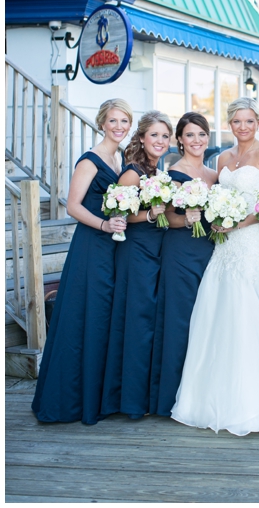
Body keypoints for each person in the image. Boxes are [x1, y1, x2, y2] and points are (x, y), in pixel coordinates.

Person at [170, 97, 259, 435]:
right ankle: (209, 399)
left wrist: (236, 223)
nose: (242, 127)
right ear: (230, 124)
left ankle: (253, 404)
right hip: (222, 247)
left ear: (257, 123)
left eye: (249, 121)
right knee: (216, 313)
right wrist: (214, 217)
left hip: (250, 243)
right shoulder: (222, 158)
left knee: (248, 314)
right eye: (236, 121)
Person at [32, 99, 132, 424]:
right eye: (114, 121)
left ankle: (100, 396)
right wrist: (104, 224)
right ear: (103, 122)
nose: (119, 127)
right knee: (84, 315)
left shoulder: (121, 159)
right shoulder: (90, 160)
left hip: (116, 246)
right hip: (92, 245)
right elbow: (72, 206)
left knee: (104, 317)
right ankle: (72, 400)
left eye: (125, 122)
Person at [101, 110, 172, 418]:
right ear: (142, 138)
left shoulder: (158, 171)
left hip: (156, 249)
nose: (160, 140)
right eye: (154, 134)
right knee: (137, 321)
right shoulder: (132, 172)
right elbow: (118, 213)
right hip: (137, 250)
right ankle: (129, 400)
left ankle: (144, 397)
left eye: (165, 136)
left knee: (149, 322)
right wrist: (151, 215)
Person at [149, 112, 217, 417]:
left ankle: (202, 393)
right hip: (181, 252)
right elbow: (166, 217)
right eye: (190, 135)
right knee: (181, 320)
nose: (197, 140)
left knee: (208, 320)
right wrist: (184, 219)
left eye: (202, 134)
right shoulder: (172, 173)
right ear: (180, 140)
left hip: (212, 252)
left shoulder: (214, 174)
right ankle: (172, 397)